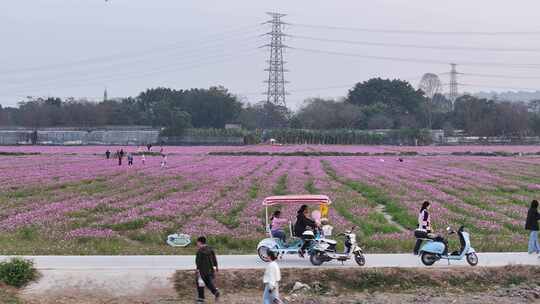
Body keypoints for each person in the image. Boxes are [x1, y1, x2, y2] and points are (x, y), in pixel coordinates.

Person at [195, 236, 220, 303]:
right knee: (209, 283)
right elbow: (214, 258)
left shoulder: (200, 251)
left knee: (200, 283)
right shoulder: (210, 249)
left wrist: (197, 269)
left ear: (200, 242)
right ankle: (216, 292)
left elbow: (198, 261)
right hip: (210, 270)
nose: (197, 244)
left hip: (202, 270)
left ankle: (201, 299)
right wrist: (216, 267)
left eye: (197, 242)